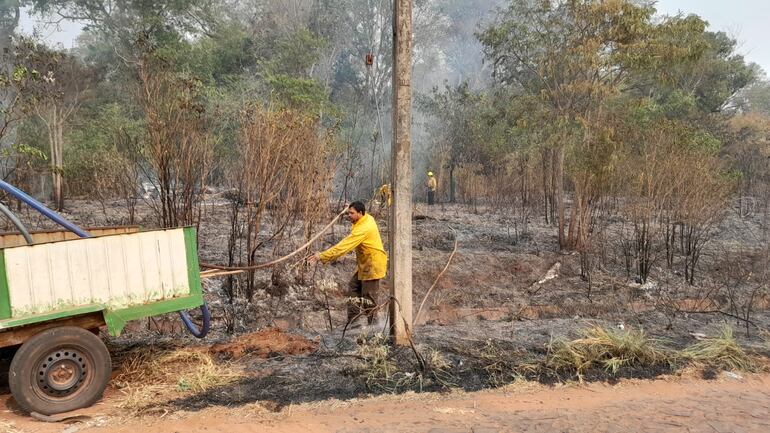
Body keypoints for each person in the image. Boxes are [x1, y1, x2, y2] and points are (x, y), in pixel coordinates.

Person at [310, 201, 388, 326]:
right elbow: (357, 209)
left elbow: (343, 247)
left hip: (373, 264)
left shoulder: (363, 228)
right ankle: (353, 322)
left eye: (351, 213)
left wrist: (322, 256)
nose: (349, 215)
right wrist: (349, 207)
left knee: (368, 297)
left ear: (360, 213)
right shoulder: (366, 218)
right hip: (366, 263)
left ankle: (374, 327)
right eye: (348, 213)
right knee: (353, 286)